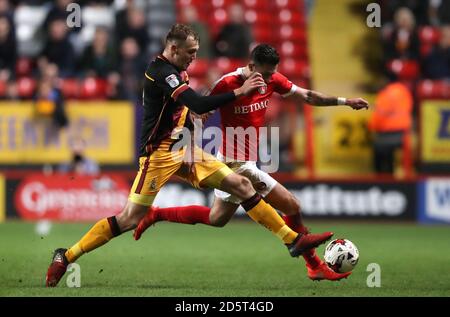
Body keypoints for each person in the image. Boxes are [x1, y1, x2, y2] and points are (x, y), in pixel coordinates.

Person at [45, 24, 333, 287]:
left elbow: (188, 107)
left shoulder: (178, 70)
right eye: (190, 52)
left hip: (185, 149)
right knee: (129, 218)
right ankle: (67, 255)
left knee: (242, 186)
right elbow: (194, 101)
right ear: (173, 49)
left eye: (196, 52)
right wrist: (238, 92)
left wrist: (193, 117)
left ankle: (292, 241)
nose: (194, 58)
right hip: (158, 155)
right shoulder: (161, 72)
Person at [134, 44, 369, 281]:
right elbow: (197, 113)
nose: (268, 79)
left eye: (271, 74)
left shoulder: (273, 79)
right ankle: (314, 264)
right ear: (251, 66)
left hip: (248, 161)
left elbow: (307, 96)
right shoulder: (227, 84)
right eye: (264, 74)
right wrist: (191, 146)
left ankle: (156, 214)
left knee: (217, 218)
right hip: (233, 163)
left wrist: (345, 101)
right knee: (292, 206)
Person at [368, 80, 413, 174]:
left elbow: (378, 117)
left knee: (380, 153)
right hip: (404, 133)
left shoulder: (384, 96)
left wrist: (371, 127)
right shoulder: (403, 90)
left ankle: (384, 180)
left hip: (388, 134)